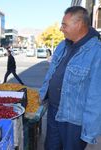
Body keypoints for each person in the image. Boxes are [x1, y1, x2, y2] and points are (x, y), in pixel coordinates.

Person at [39, 6, 101, 150]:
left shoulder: (97, 53)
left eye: (64, 25)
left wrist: (89, 131)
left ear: (79, 24)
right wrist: (43, 93)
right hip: (54, 111)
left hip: (73, 121)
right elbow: (51, 73)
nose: (61, 28)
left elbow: (96, 96)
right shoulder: (63, 45)